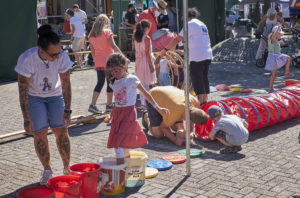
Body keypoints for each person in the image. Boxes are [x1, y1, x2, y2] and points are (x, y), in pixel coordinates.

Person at [15, 25, 73, 185]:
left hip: (55, 95)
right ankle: (47, 170)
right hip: (35, 98)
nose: (57, 57)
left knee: (61, 130)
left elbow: (66, 84)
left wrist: (67, 110)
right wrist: (26, 119)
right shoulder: (27, 59)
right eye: (53, 54)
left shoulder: (62, 57)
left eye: (59, 52)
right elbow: (22, 91)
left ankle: (67, 167)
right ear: (41, 50)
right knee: (39, 133)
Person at [106, 53, 169, 164]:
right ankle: (126, 168)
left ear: (124, 66)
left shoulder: (132, 79)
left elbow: (146, 94)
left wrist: (158, 108)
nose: (115, 73)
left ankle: (120, 171)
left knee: (118, 144)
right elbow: (117, 100)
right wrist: (112, 113)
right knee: (122, 144)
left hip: (129, 113)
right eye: (112, 71)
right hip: (118, 115)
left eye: (117, 70)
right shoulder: (113, 82)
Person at [160, 7, 213, 106]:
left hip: (197, 57)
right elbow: (198, 41)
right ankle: (205, 102)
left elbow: (177, 39)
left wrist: (165, 50)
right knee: (204, 77)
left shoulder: (190, 24)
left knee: (197, 79)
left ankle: (201, 103)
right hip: (207, 55)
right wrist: (185, 52)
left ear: (186, 17)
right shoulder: (202, 24)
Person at [142, 86, 208, 146]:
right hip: (152, 96)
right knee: (158, 134)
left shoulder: (195, 102)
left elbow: (193, 116)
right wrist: (175, 140)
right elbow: (163, 127)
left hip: (169, 98)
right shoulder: (176, 112)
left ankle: (165, 118)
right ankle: (146, 116)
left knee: (180, 129)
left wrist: (190, 131)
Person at [88, 14, 124, 114]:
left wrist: (96, 60)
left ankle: (92, 104)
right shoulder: (107, 32)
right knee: (110, 82)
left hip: (98, 61)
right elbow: (113, 46)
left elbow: (93, 52)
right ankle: (109, 105)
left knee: (100, 83)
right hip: (109, 61)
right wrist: (123, 56)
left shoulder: (91, 36)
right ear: (105, 22)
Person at [134, 19, 157, 110]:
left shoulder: (136, 38)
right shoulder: (146, 38)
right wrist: (151, 66)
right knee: (147, 83)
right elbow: (147, 53)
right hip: (145, 62)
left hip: (138, 61)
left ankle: (143, 103)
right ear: (146, 28)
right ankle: (146, 103)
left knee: (142, 83)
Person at [265, 25, 294, 92]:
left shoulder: (276, 40)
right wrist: (277, 28)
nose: (280, 35)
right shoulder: (272, 38)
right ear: (275, 33)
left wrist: (282, 43)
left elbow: (277, 43)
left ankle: (270, 88)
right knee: (274, 75)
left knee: (274, 74)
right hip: (273, 57)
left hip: (277, 56)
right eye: (279, 34)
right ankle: (270, 88)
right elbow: (274, 36)